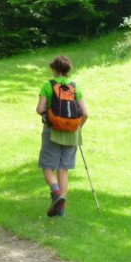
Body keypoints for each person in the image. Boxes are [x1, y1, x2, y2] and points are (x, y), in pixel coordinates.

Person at [35, 55, 88, 218]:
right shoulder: (75, 86)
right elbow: (85, 113)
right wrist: (77, 127)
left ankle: (57, 194)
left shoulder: (48, 86)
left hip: (52, 131)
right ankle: (61, 209)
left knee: (47, 166)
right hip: (72, 133)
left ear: (54, 69)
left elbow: (39, 109)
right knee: (63, 169)